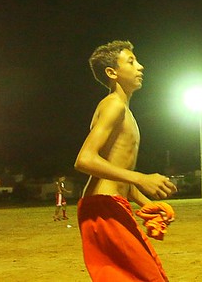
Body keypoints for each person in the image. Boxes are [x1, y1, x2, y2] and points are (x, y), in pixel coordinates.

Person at [74, 40, 178, 281]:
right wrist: (141, 178)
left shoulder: (124, 110)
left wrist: (144, 204)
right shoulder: (114, 106)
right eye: (131, 62)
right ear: (112, 73)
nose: (140, 67)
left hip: (110, 205)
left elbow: (115, 171)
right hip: (103, 208)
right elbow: (84, 159)